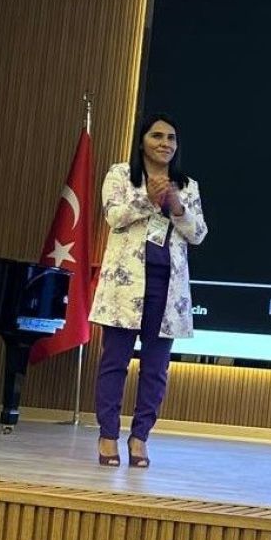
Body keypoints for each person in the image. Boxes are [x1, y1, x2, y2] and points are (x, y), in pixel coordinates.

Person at [90, 114, 208, 468]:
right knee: (115, 362)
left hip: (167, 288)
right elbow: (113, 216)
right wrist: (148, 199)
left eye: (171, 138)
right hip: (125, 285)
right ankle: (107, 434)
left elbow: (198, 234)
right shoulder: (120, 175)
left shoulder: (187, 185)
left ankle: (140, 436)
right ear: (142, 141)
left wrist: (177, 206)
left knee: (156, 369)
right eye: (157, 136)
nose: (165, 143)